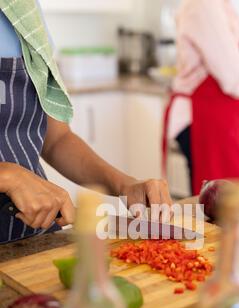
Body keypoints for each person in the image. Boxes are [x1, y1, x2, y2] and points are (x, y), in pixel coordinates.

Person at [0, 0, 172, 244]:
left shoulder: (26, 12)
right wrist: (7, 175)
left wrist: (125, 185)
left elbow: (56, 139)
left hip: (28, 241)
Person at [162, 0, 239, 196]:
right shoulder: (203, 5)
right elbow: (234, 78)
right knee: (224, 204)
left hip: (218, 120)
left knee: (230, 202)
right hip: (204, 120)